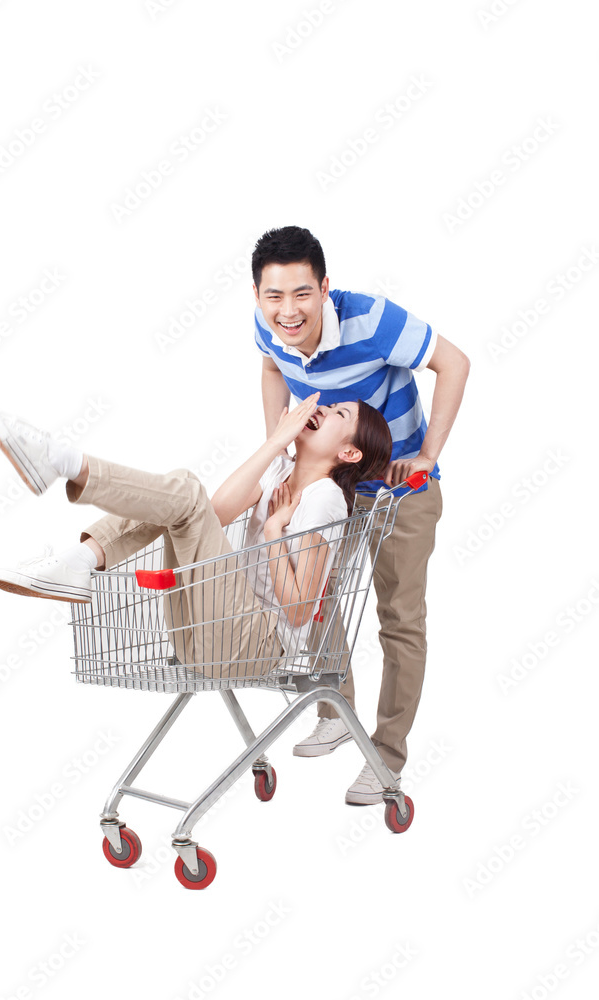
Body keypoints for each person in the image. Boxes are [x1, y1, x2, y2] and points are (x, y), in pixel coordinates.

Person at [252, 225, 470, 804]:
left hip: (401, 488)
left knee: (398, 618)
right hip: (332, 483)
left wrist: (427, 455)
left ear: (325, 287)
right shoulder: (269, 324)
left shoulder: (374, 321)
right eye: (274, 297)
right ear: (259, 297)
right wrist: (279, 439)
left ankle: (386, 757)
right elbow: (273, 367)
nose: (288, 311)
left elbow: (455, 363)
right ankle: (334, 709)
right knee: (313, 591)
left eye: (302, 294)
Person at [0, 395, 391, 679]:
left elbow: (301, 610)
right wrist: (274, 444)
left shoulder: (326, 500)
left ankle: (63, 462)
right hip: (204, 634)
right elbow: (214, 514)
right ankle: (80, 560)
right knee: (181, 490)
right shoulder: (278, 473)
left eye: (339, 414)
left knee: (184, 491)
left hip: (255, 646)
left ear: (349, 453)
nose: (320, 408)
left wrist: (271, 529)